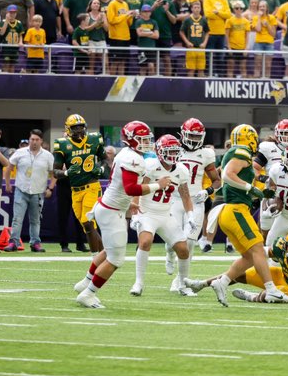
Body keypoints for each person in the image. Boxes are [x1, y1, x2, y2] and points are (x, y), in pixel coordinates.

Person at [183, 124, 288, 305]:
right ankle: (271, 289)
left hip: (232, 211)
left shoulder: (233, 153)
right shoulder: (242, 153)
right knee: (258, 251)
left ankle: (222, 282)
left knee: (249, 256)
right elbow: (228, 176)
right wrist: (252, 188)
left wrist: (256, 189)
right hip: (236, 210)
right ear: (249, 139)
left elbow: (229, 178)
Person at [74, 121, 164, 309]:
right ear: (131, 140)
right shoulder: (133, 159)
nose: (147, 142)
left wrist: (127, 203)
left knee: (109, 250)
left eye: (148, 139)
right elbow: (131, 188)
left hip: (110, 207)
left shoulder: (127, 154)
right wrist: (158, 185)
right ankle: (88, 293)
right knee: (116, 259)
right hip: (111, 211)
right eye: (142, 139)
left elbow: (120, 187)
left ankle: (86, 281)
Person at [195, 228, 288, 305]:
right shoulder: (281, 247)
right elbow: (260, 254)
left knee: (271, 296)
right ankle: (201, 284)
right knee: (240, 274)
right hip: (281, 275)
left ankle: (251, 297)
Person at [130, 135, 195, 296]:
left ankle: (182, 284)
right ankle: (138, 283)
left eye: (175, 151)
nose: (173, 155)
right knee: (145, 242)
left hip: (166, 214)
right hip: (147, 212)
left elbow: (185, 195)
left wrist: (191, 215)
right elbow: (138, 188)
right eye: (169, 151)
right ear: (159, 152)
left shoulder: (181, 170)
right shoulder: (151, 165)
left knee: (183, 249)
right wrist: (135, 213)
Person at [52, 114, 106, 253]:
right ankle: (103, 256)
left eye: (81, 127)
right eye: (75, 128)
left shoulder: (94, 139)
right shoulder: (62, 144)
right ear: (68, 129)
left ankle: (99, 258)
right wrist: (66, 173)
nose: (79, 130)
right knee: (86, 226)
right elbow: (55, 172)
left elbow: (105, 160)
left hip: (92, 187)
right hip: (75, 190)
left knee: (88, 222)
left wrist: (101, 168)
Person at [176, 118, 222, 261]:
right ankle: (170, 255)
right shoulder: (173, 150)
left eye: (197, 136)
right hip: (174, 199)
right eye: (192, 135)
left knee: (189, 240)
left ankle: (181, 278)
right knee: (174, 240)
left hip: (195, 200)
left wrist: (207, 191)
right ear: (183, 134)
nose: (195, 139)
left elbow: (217, 181)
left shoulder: (206, 154)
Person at [5, 129, 55, 253]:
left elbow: (54, 173)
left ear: (41, 141)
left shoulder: (48, 156)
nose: (34, 142)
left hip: (38, 192)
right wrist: (7, 183)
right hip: (21, 190)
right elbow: (9, 168)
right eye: (32, 139)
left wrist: (51, 188)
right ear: (29, 140)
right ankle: (13, 242)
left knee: (35, 220)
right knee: (17, 218)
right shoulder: (20, 152)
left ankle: (35, 243)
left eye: (37, 140)